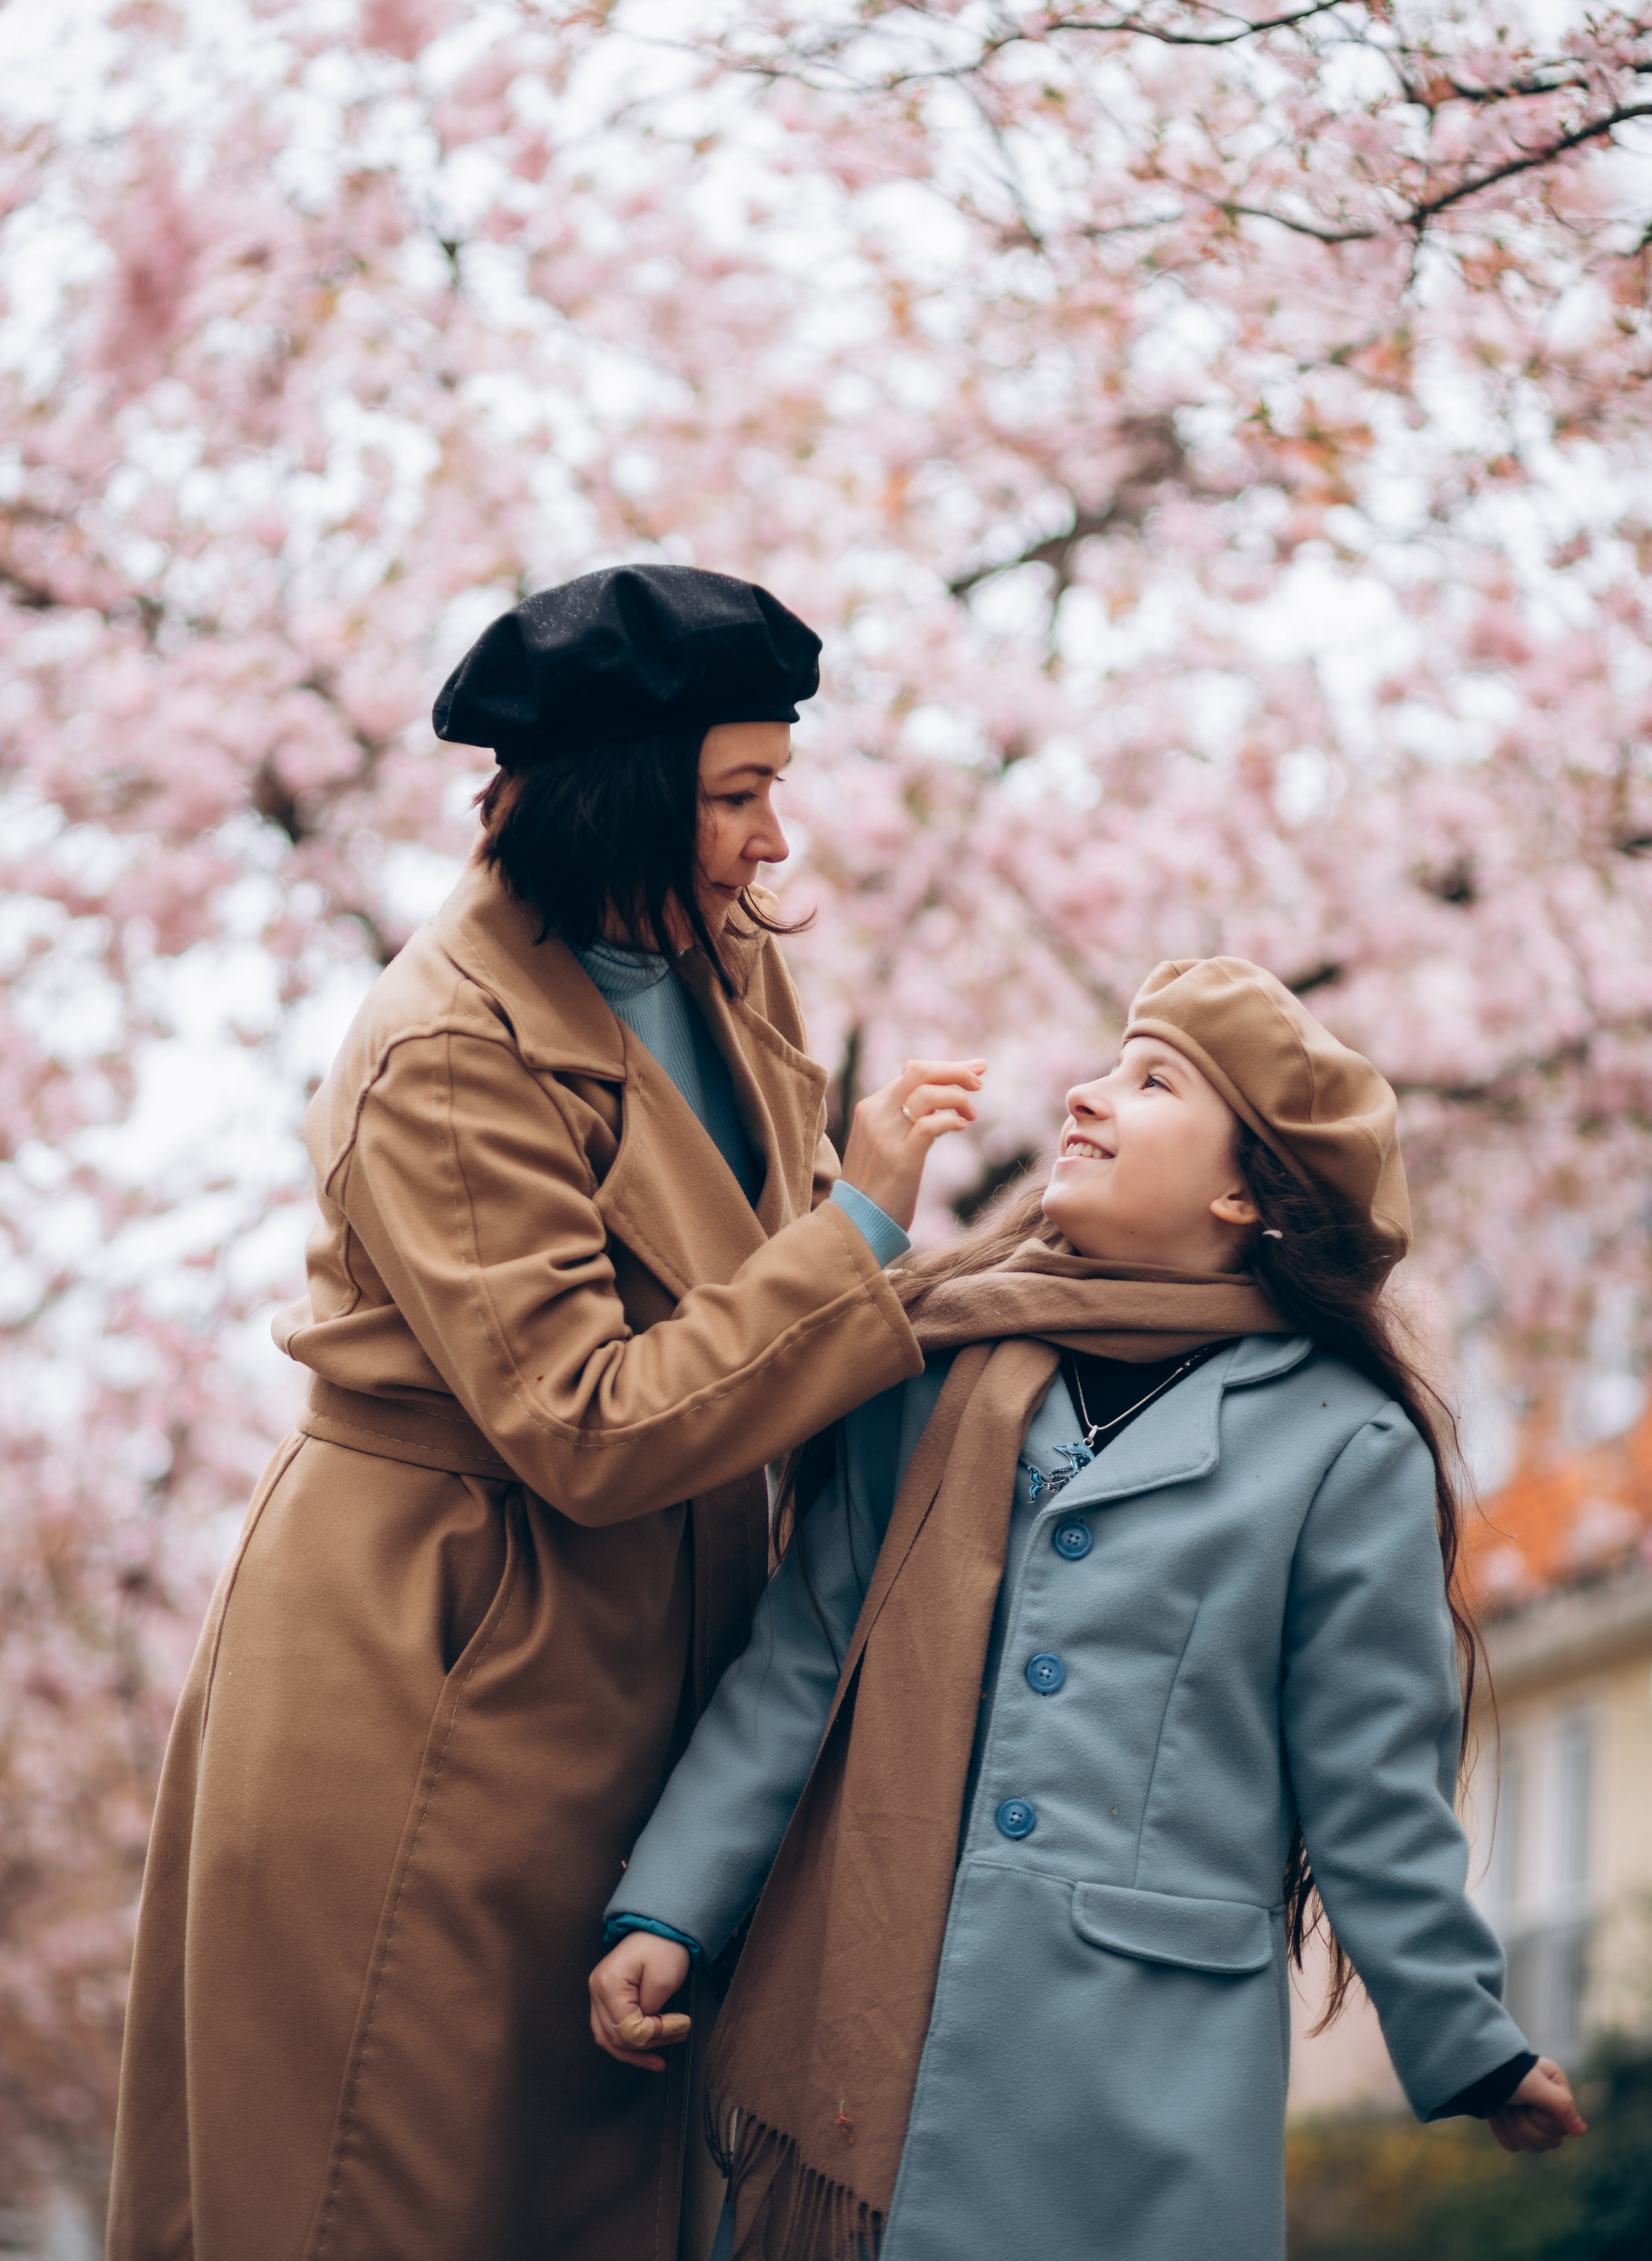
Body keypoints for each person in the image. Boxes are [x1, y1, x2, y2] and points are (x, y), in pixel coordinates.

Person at [107, 564, 984, 2261]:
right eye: (741, 796)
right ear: (626, 799)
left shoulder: (725, 969)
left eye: (776, 789)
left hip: (652, 1675)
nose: (774, 842)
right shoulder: (445, 1045)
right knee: (393, 2197)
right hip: (439, 1682)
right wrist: (861, 1229)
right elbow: (584, 1427)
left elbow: (751, 1319)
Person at [588, 956, 1587, 2261]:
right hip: (864, 2046)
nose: (1087, 1093)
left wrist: (1464, 2039)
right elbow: (806, 1658)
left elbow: (1369, 1783)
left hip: (1137, 2088)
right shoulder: (934, 1369)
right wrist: (665, 1903)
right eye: (1106, 1063)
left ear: (1243, 1190)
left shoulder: (1342, 1447)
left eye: (1152, 1080)